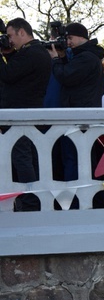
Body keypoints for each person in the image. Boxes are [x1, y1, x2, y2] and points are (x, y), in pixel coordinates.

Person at [0, 18, 52, 212]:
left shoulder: (33, 53)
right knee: (25, 157)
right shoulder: (33, 52)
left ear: (22, 32)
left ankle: (31, 202)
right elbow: (17, 74)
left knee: (23, 158)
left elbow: (7, 75)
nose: (8, 40)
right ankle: (29, 199)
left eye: (10, 35)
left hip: (21, 114)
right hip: (24, 111)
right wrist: (10, 54)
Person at [49, 23, 104, 108]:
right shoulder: (86, 55)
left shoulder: (87, 57)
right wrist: (63, 57)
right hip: (82, 110)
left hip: (82, 113)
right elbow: (73, 73)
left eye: (70, 38)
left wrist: (55, 59)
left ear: (81, 36)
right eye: (66, 39)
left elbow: (66, 76)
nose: (68, 42)